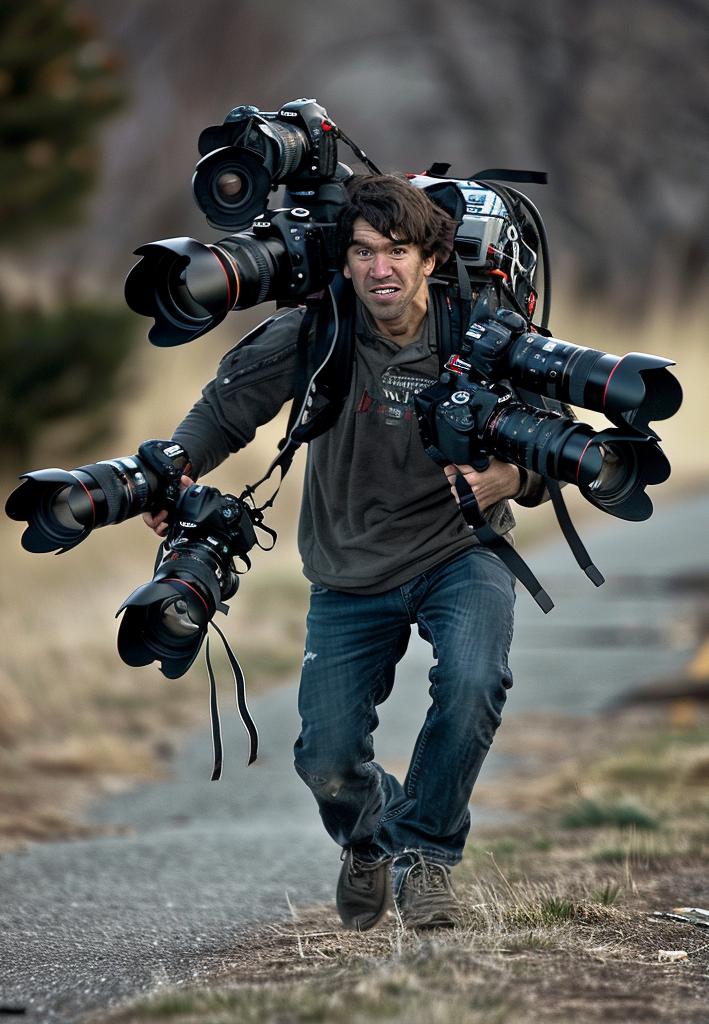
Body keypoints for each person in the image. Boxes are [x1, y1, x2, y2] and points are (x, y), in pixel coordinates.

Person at [144, 174, 547, 930]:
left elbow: (554, 442)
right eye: (362, 252)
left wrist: (509, 476)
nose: (379, 269)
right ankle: (370, 841)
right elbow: (225, 409)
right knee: (326, 760)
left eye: (396, 251)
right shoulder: (318, 330)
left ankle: (425, 855)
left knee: (473, 684)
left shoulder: (480, 333)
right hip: (346, 566)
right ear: (347, 259)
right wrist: (176, 472)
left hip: (460, 552)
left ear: (430, 258)